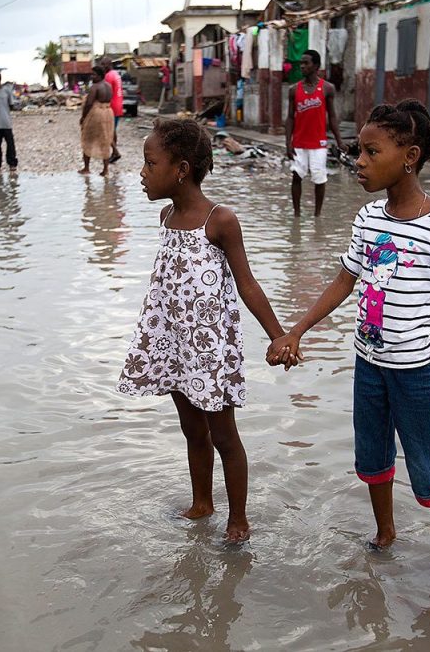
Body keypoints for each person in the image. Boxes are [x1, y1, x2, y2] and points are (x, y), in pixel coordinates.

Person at [267, 99, 430, 580]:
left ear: (410, 155)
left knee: (428, 465)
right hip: (370, 364)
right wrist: (296, 330)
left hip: (418, 372)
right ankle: (385, 531)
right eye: (358, 151)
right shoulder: (369, 219)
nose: (357, 161)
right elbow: (345, 279)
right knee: (372, 456)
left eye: (370, 151)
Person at [117, 118, 289, 543]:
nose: (141, 172)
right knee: (192, 431)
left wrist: (278, 335)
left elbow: (247, 282)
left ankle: (239, 521)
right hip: (174, 343)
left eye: (149, 162)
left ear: (181, 169)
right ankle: (202, 503)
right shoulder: (166, 216)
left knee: (224, 435)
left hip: (209, 350)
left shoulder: (220, 220)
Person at [285, 49, 345, 217]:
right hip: (299, 142)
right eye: (301, 63)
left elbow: (332, 117)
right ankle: (297, 215)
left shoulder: (327, 88)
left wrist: (339, 141)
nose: (302, 66)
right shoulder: (293, 90)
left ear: (316, 66)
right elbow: (290, 118)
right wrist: (287, 142)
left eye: (306, 63)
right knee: (296, 176)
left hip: (318, 143)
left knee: (319, 179)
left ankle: (317, 215)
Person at [79, 66, 114, 177]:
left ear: (100, 75)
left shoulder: (95, 87)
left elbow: (89, 103)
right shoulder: (108, 86)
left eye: (94, 75)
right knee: (106, 139)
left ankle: (86, 168)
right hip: (108, 112)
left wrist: (83, 117)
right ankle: (105, 170)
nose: (92, 76)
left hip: (97, 113)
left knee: (87, 138)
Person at [100, 57, 124, 163]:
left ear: (108, 64)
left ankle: (115, 151)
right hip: (119, 105)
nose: (102, 67)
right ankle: (114, 153)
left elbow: (106, 93)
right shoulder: (116, 74)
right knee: (112, 130)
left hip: (112, 106)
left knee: (106, 131)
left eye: (103, 64)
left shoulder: (108, 76)